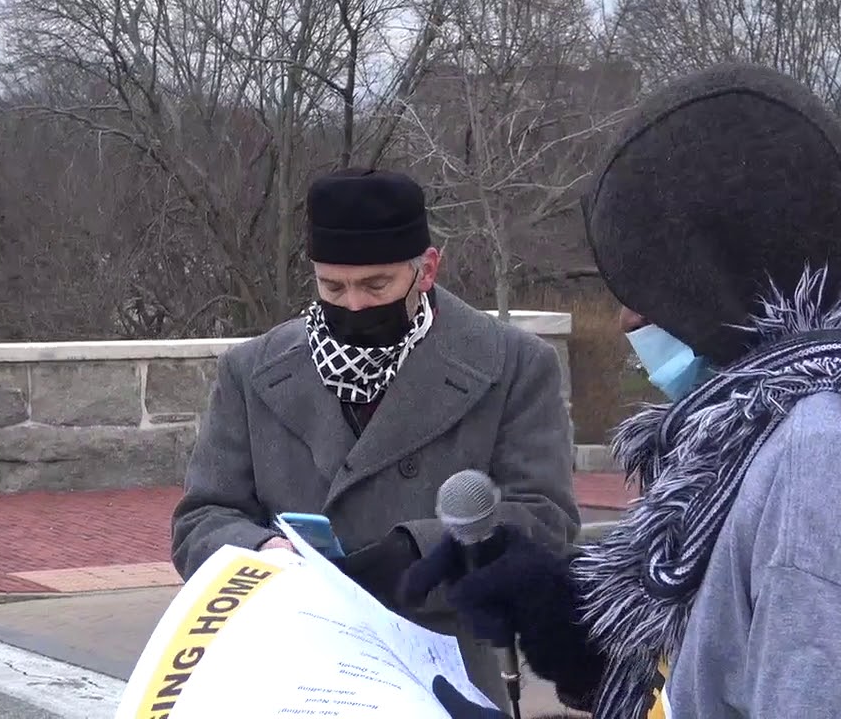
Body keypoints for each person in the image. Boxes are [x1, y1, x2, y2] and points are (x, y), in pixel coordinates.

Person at [400, 64, 841, 718]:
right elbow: (743, 667)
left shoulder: (827, 468)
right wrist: (579, 629)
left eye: (646, 284)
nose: (627, 318)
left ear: (720, 275)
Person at [170, 167, 580, 709]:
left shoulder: (515, 366)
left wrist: (421, 548)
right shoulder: (252, 370)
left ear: (426, 270)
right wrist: (263, 555)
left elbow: (546, 521)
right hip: (290, 674)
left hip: (442, 678)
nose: (354, 306)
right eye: (332, 287)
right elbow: (201, 520)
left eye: (376, 285)